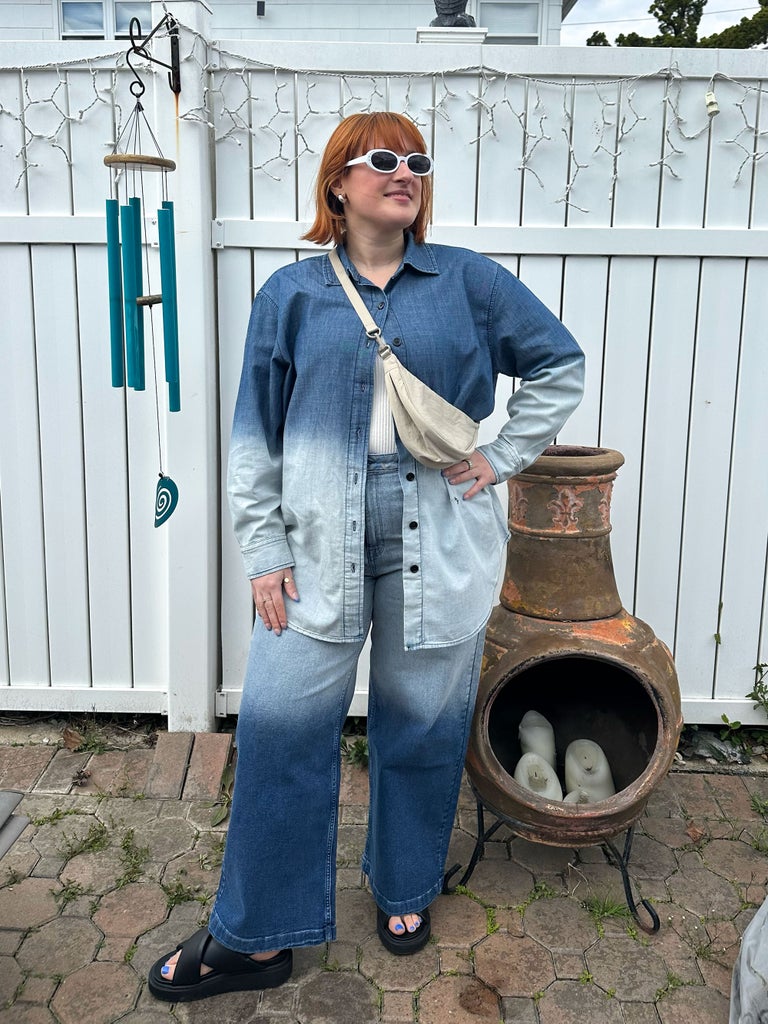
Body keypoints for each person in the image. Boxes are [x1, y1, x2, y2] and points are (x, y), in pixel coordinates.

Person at [148, 111, 585, 1003]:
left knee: (419, 726)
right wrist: (263, 549)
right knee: (279, 729)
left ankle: (404, 887)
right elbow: (254, 436)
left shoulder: (468, 282)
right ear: (338, 184)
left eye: (417, 159)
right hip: (317, 540)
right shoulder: (291, 294)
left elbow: (559, 366)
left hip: (440, 531)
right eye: (382, 158)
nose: (404, 172)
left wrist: (500, 456)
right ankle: (257, 936)